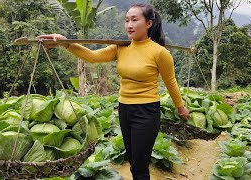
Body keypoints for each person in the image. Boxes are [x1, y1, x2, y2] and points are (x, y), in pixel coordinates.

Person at [37, 3, 189, 180]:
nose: (129, 25)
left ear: (149, 23)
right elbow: (92, 57)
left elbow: (170, 82)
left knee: (140, 166)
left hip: (146, 111)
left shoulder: (160, 52)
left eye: (134, 20)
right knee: (132, 160)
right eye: (126, 20)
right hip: (124, 109)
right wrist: (65, 43)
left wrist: (180, 107)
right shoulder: (120, 48)